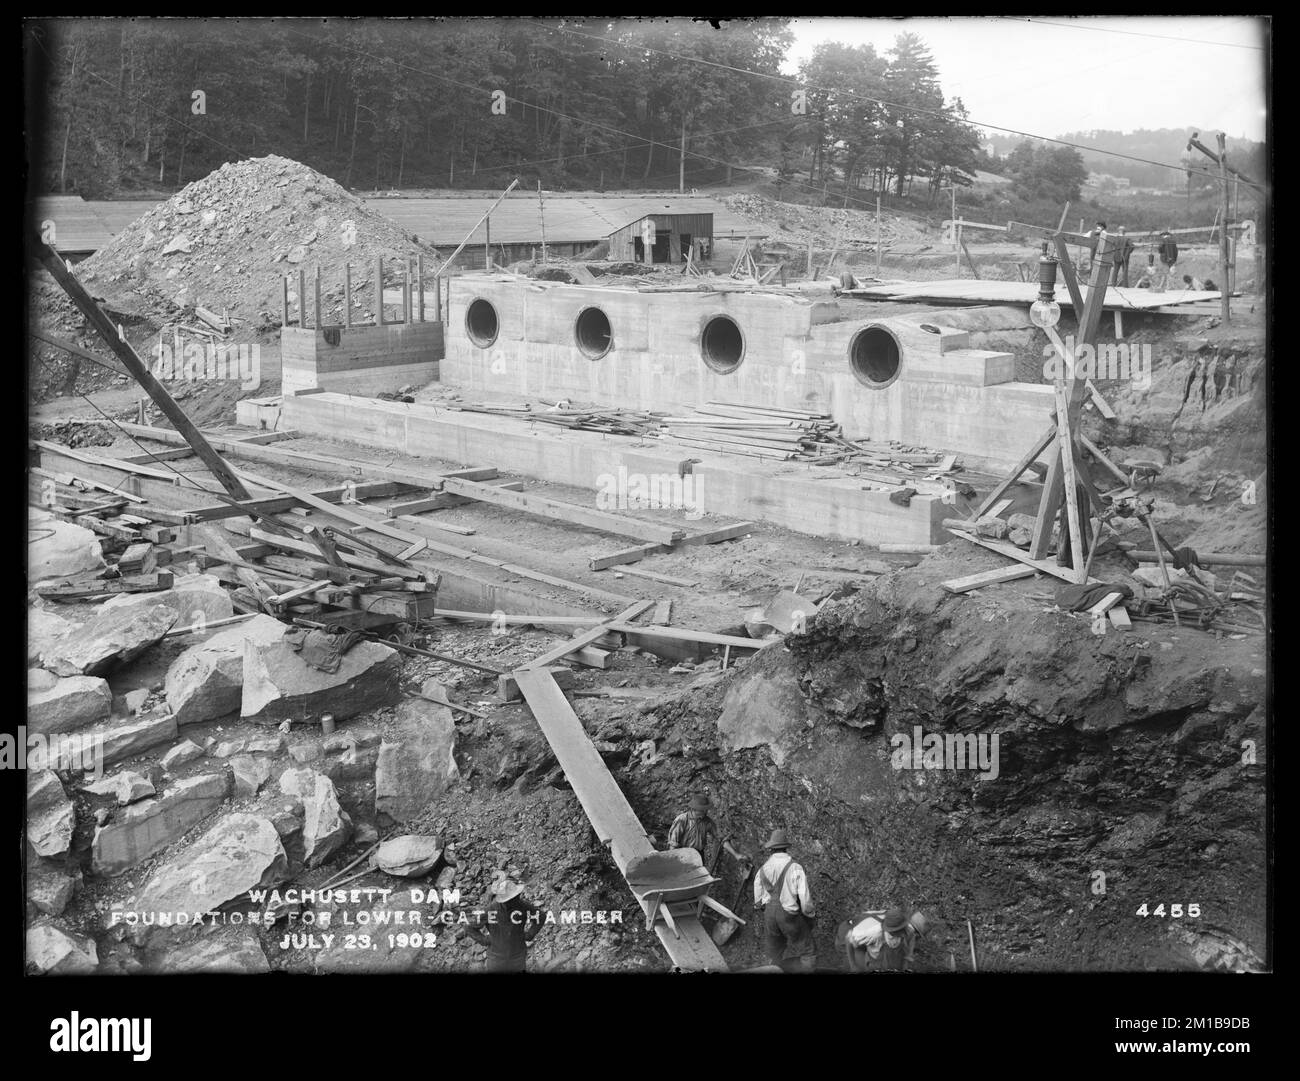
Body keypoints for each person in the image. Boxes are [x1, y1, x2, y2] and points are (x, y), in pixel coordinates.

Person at [753, 829, 816, 972]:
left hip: (769, 914)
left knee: (774, 951)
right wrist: (809, 915)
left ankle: (771, 969)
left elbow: (757, 899)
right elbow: (805, 900)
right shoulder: (795, 867)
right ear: (786, 848)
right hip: (789, 915)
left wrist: (763, 906)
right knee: (807, 950)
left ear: (771, 850)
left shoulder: (763, 869)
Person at [463, 875, 543, 973]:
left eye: (517, 896)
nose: (517, 899)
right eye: (513, 898)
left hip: (517, 958)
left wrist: (530, 934)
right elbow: (469, 927)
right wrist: (484, 940)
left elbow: (541, 916)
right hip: (497, 960)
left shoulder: (523, 906)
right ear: (505, 900)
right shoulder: (491, 910)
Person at [666, 794, 746, 868]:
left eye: (706, 810)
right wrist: (673, 864)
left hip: (698, 856)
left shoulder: (707, 822)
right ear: (694, 809)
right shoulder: (682, 820)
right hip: (682, 855)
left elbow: (721, 838)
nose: (705, 812)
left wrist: (736, 855)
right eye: (702, 810)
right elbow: (673, 844)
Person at [841, 907, 928, 972]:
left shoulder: (909, 933)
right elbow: (849, 938)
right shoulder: (875, 933)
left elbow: (907, 956)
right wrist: (853, 965)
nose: (908, 931)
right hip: (874, 964)